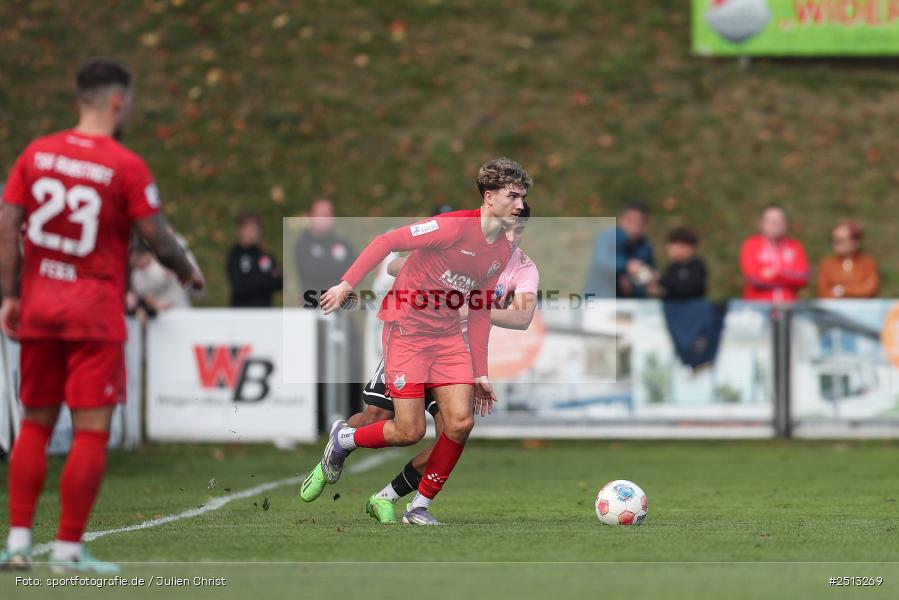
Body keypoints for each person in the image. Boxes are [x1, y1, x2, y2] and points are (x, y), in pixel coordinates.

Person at [0, 58, 204, 572]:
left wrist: (9, 294)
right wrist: (186, 272)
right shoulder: (124, 165)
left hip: (40, 309)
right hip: (93, 314)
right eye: (129, 101)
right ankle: (67, 549)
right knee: (90, 430)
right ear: (118, 101)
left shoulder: (37, 153)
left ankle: (19, 543)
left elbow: (8, 225)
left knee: (35, 425)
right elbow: (156, 236)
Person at [300, 158, 530, 525]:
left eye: (522, 197)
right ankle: (344, 439)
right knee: (409, 431)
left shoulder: (502, 251)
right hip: (407, 332)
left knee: (460, 424)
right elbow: (388, 241)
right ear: (489, 197)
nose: (520, 205)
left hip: (448, 339)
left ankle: (418, 507)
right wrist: (347, 283)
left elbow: (482, 309)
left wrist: (481, 372)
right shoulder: (454, 226)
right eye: (513, 196)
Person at [585, 202, 656, 299]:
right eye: (630, 221)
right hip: (599, 299)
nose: (635, 227)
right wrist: (627, 265)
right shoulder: (608, 237)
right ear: (621, 220)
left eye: (640, 223)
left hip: (629, 303)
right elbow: (602, 261)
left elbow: (649, 273)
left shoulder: (645, 247)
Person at [739, 204, 808, 302]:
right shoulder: (751, 245)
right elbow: (754, 278)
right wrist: (788, 275)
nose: (776, 224)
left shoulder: (795, 246)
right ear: (762, 223)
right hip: (759, 308)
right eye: (772, 221)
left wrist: (776, 273)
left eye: (780, 220)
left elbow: (802, 277)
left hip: (788, 307)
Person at [293, 199, 356, 306]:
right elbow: (315, 272)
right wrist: (340, 271)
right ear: (311, 216)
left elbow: (357, 269)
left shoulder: (342, 243)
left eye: (330, 213)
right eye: (322, 214)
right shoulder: (303, 244)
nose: (327, 217)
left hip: (341, 306)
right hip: (313, 306)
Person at [226, 212, 282, 307]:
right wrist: (268, 278)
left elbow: (279, 283)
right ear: (240, 230)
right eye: (250, 229)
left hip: (265, 312)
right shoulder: (235, 255)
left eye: (256, 229)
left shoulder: (265, 256)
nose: (254, 233)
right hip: (242, 312)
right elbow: (240, 285)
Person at [817, 221, 879, 299]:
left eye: (840, 240)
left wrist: (843, 290)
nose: (835, 244)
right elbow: (824, 292)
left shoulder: (867, 263)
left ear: (854, 242)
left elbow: (870, 289)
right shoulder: (827, 264)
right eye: (834, 240)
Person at [654, 227, 706, 299]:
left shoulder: (697, 266)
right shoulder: (671, 268)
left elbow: (687, 289)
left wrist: (662, 280)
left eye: (676, 246)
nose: (670, 250)